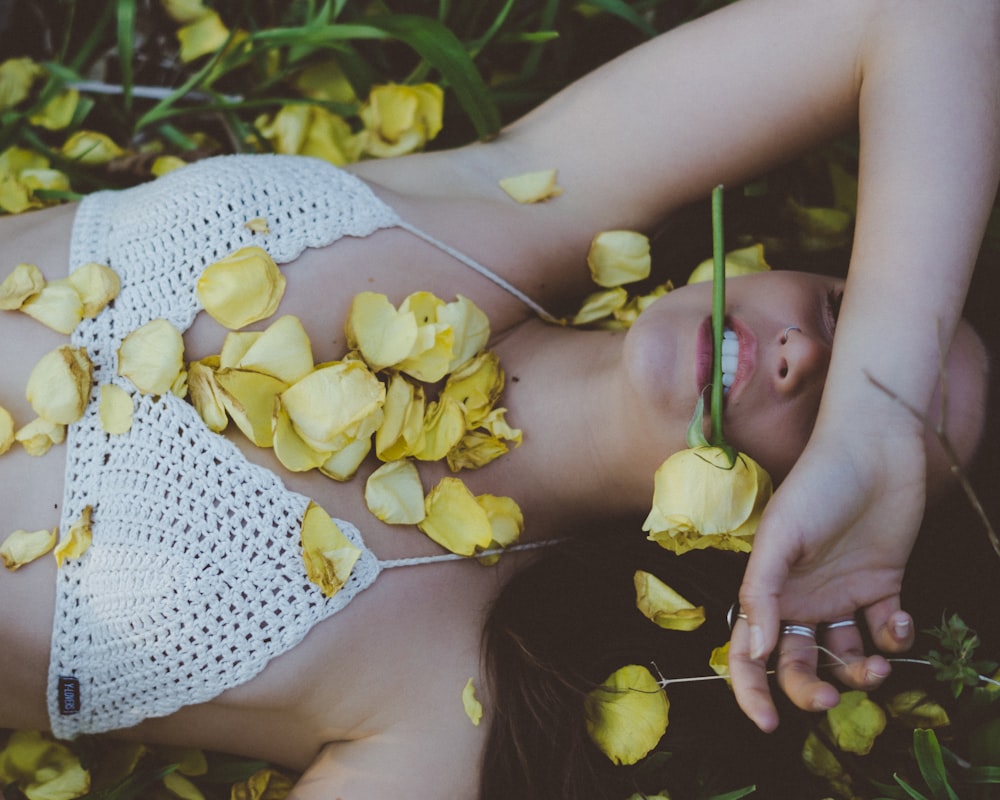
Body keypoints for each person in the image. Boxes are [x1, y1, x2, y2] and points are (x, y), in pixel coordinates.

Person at [0, 0, 996, 797]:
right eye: (843, 311)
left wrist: (869, 461)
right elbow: (926, 12)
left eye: (818, 425)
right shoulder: (533, 191)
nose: (796, 357)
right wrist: (872, 427)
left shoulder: (438, 705)